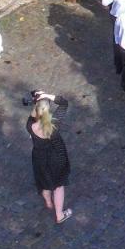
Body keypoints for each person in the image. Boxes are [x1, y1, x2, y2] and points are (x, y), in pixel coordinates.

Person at [27, 95, 71, 224]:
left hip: (39, 158)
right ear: (49, 110)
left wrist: (37, 102)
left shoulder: (30, 125)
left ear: (36, 109)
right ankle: (60, 215)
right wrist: (46, 95)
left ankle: (48, 202)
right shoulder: (54, 124)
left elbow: (32, 115)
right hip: (55, 160)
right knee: (58, 186)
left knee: (44, 182)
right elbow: (64, 103)